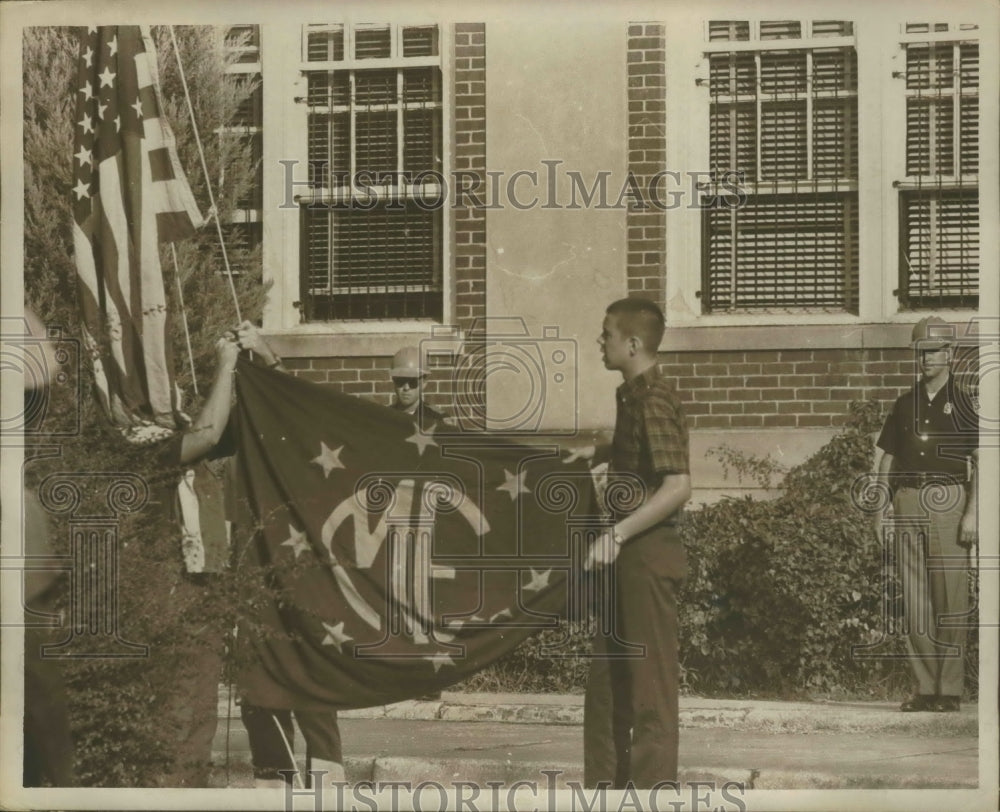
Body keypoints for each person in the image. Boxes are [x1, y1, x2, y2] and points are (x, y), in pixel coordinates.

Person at [571, 297, 691, 788]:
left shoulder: (655, 398)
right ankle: (604, 791)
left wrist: (617, 534)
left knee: (648, 691)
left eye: (607, 334)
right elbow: (642, 454)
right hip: (625, 556)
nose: (601, 341)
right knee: (607, 685)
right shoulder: (633, 396)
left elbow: (678, 485)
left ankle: (651, 794)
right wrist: (600, 450)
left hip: (644, 552)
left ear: (633, 343)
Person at [875, 316, 978, 713]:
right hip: (908, 500)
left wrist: (973, 515)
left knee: (949, 595)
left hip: (950, 499)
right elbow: (887, 458)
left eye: (933, 350)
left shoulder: (964, 403)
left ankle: (949, 690)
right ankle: (924, 688)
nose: (925, 358)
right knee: (915, 598)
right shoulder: (905, 404)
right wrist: (881, 507)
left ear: (949, 354)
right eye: (920, 352)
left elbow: (981, 460)